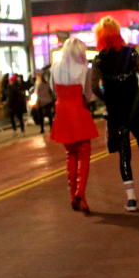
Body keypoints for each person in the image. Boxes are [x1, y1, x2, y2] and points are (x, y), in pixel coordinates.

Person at [91, 15, 139, 211]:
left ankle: (131, 199)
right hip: (136, 109)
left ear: (100, 37)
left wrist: (106, 98)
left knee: (124, 154)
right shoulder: (131, 54)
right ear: (117, 34)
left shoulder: (99, 60)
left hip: (117, 113)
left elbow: (93, 87)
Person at [50, 38, 99, 213]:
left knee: (70, 154)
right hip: (78, 110)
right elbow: (89, 94)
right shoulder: (84, 69)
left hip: (62, 112)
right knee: (84, 154)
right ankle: (80, 193)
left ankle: (72, 195)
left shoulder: (55, 67)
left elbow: (52, 90)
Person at [33, 69, 56, 133]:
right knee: (49, 115)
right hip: (48, 101)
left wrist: (37, 103)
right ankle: (51, 127)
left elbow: (37, 94)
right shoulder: (47, 84)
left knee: (41, 116)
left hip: (41, 101)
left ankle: (42, 129)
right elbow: (50, 92)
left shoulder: (38, 85)